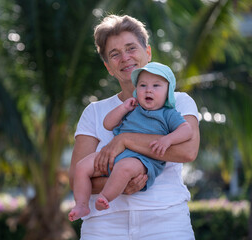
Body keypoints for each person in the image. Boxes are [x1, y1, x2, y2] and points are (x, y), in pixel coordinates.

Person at [69, 14, 200, 239]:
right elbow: (77, 176)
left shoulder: (177, 102)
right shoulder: (95, 111)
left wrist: (124, 139)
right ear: (108, 67)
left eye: (131, 48)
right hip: (104, 224)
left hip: (165, 221)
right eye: (115, 54)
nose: (125, 58)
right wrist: (118, 184)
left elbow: (187, 151)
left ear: (147, 53)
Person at [68, 62, 193, 222]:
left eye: (156, 86)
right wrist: (123, 108)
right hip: (115, 153)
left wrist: (168, 139)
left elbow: (186, 130)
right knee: (82, 166)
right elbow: (108, 124)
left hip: (143, 160)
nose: (148, 90)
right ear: (136, 90)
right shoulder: (133, 108)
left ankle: (105, 197)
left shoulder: (168, 114)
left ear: (168, 92)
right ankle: (81, 204)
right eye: (142, 85)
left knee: (124, 168)